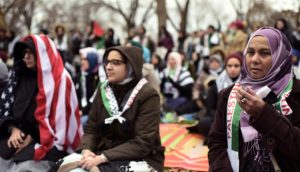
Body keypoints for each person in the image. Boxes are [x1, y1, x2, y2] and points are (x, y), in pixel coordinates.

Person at [208, 27, 300, 171]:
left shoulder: (296, 93)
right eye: (250, 52)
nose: (254, 59)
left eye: (264, 53)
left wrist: (263, 114)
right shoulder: (229, 94)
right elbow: (217, 143)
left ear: (280, 57)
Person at [59, 46, 164, 172]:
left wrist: (102, 158)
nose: (108, 67)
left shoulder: (148, 95)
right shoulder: (103, 89)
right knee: (66, 167)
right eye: (107, 62)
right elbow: (92, 129)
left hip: (140, 157)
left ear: (131, 66)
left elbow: (143, 143)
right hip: (103, 151)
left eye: (116, 63)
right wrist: (87, 150)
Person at [0, 35, 83, 171]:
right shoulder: (19, 76)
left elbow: (60, 128)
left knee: (25, 168)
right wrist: (13, 128)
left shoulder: (60, 80)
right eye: (24, 53)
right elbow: (7, 110)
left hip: (46, 142)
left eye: (31, 53)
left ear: (42, 54)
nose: (26, 57)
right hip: (15, 137)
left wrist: (32, 136)